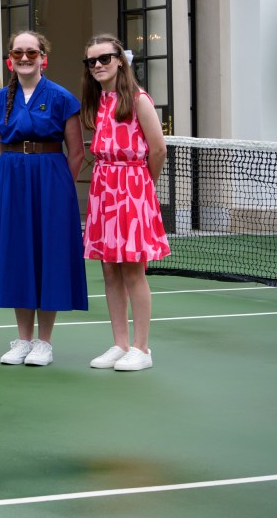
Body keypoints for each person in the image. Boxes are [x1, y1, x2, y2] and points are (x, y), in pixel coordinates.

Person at [0, 31, 87, 367]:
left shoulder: (61, 97)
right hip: (12, 181)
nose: (25, 58)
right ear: (10, 59)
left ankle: (44, 342)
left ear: (44, 57)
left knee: (48, 256)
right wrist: (11, 168)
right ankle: (23, 340)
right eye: (18, 52)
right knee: (18, 256)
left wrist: (58, 188)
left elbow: (77, 152)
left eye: (32, 52)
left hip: (52, 181)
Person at [80, 35, 170, 372]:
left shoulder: (138, 99)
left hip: (132, 189)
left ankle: (142, 348)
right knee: (109, 270)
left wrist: (143, 187)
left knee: (133, 270)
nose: (98, 65)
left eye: (105, 58)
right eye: (92, 61)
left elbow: (158, 149)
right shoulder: (99, 101)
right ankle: (119, 344)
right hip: (103, 191)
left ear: (120, 60)